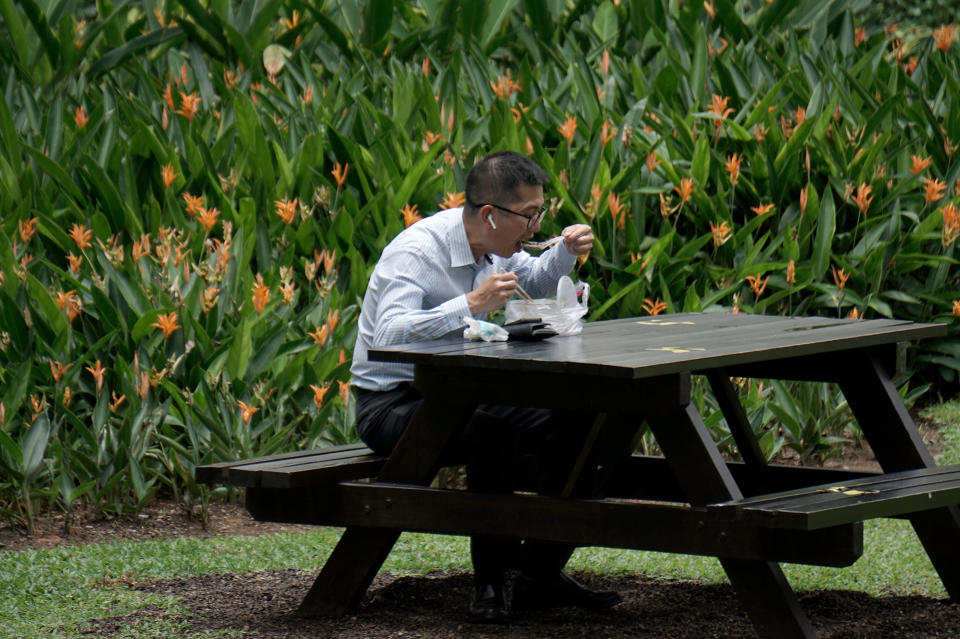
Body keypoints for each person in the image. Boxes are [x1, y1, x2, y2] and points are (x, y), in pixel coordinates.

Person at [349, 151, 621, 622]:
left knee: (582, 415)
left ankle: (541, 571)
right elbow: (386, 335)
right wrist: (469, 304)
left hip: (458, 391)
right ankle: (490, 583)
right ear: (491, 214)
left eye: (541, 213)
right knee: (494, 434)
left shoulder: (493, 244)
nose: (535, 227)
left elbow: (529, 280)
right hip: (390, 403)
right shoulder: (417, 252)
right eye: (529, 216)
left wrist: (564, 253)